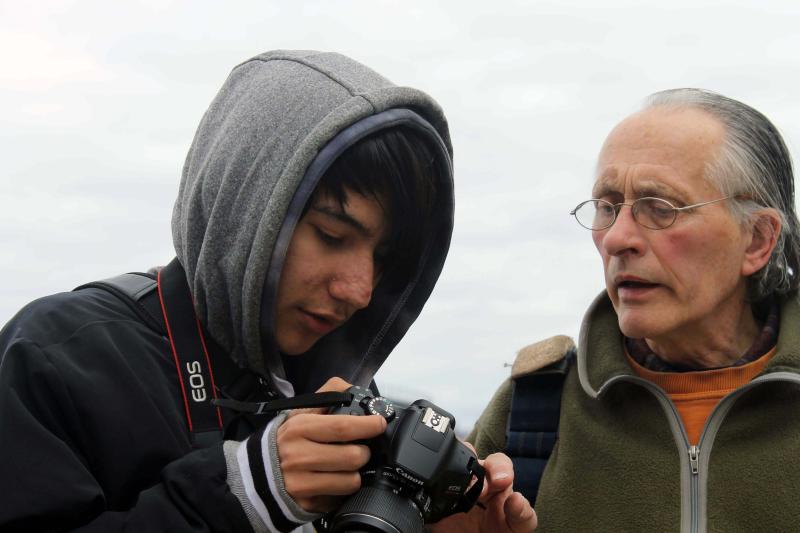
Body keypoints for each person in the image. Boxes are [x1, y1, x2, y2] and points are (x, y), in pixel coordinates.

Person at [0, 50, 535, 532]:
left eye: (383, 259)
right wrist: (246, 494)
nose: (361, 290)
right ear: (244, 210)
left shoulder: (337, 399)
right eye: (332, 235)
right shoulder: (56, 357)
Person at [469, 88, 800, 532]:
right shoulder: (532, 408)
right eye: (607, 207)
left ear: (758, 239)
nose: (616, 238)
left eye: (660, 208)